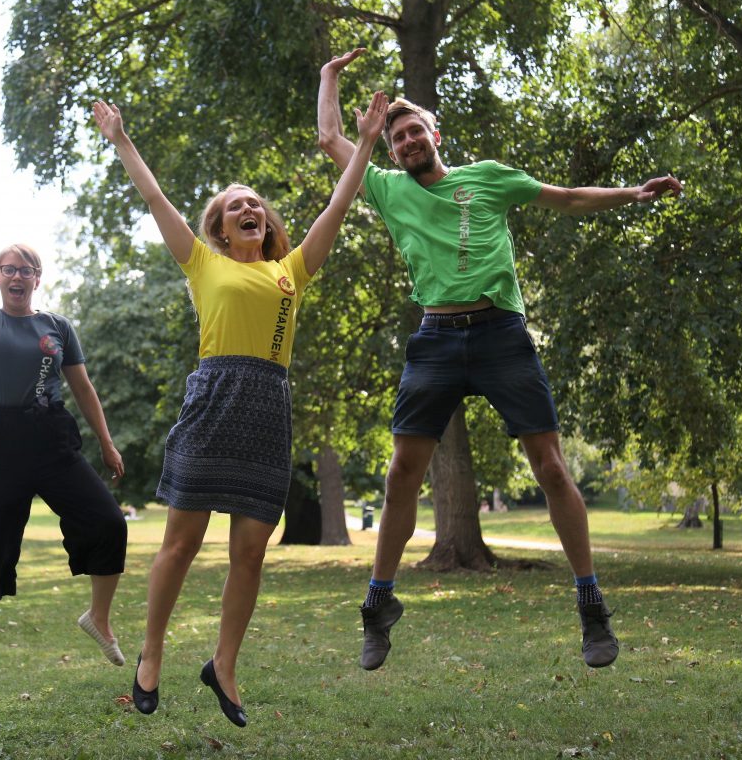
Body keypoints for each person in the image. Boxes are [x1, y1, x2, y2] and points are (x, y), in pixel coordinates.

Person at [317, 49, 682, 672]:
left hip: (500, 335)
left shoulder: (487, 177)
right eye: (397, 138)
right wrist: (329, 76)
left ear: (435, 136)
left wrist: (634, 193)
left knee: (552, 469)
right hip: (436, 338)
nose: (407, 142)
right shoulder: (385, 188)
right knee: (401, 473)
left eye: (414, 131)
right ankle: (379, 602)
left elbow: (568, 198)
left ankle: (590, 602)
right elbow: (329, 137)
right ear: (392, 149)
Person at [92, 90, 388, 726]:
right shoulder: (202, 263)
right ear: (220, 229)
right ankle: (151, 651)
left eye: (255, 203)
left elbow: (339, 204)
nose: (249, 208)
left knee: (250, 553)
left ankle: (223, 665)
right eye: (235, 206)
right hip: (213, 402)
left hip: (266, 409)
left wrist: (364, 142)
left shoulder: (291, 271)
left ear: (267, 222)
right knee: (180, 545)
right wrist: (121, 139)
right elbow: (154, 197)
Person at [0, 151, 129, 713]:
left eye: (26, 269)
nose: (16, 276)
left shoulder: (57, 327)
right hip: (1, 442)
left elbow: (83, 389)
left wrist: (106, 442)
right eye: (8, 269)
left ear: (38, 278)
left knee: (108, 523)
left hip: (53, 440)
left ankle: (99, 618)